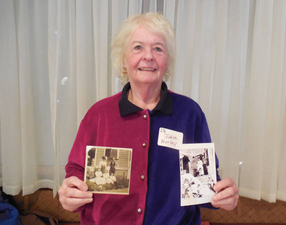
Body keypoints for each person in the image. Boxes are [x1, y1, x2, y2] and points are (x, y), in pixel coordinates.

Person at [58, 12, 239, 225]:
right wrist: (70, 193)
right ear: (123, 60)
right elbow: (77, 172)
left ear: (167, 62)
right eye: (138, 47)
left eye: (158, 49)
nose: (148, 56)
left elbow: (203, 186)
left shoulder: (189, 113)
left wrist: (222, 196)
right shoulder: (99, 115)